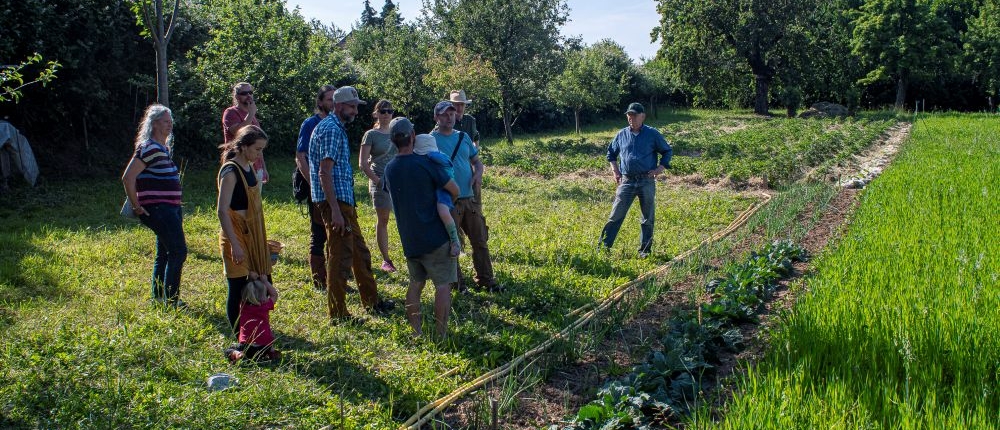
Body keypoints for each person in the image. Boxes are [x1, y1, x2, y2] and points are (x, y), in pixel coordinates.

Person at [308, 86, 395, 322]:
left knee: (360, 253)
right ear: (338, 106)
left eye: (357, 106)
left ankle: (372, 302)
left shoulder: (336, 127)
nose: (356, 111)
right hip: (335, 203)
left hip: (344, 201)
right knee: (340, 256)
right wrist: (335, 210)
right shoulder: (331, 130)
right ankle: (338, 314)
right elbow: (324, 172)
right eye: (352, 106)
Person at [383, 118, 460, 338]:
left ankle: (416, 332)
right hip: (436, 237)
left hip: (410, 239)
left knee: (416, 284)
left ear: (392, 141)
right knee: (443, 286)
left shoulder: (389, 169)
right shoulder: (426, 164)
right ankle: (441, 333)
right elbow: (453, 190)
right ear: (413, 136)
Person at [430, 101, 503, 293]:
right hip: (447, 201)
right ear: (436, 117)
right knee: (452, 244)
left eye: (452, 114)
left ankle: (487, 280)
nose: (449, 118)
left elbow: (477, 162)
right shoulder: (430, 140)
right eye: (445, 115)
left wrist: (478, 173)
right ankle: (457, 285)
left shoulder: (464, 137)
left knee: (480, 240)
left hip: (469, 199)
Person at [122, 104, 187, 308]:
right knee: (178, 251)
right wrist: (136, 205)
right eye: (166, 121)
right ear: (155, 123)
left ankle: (159, 296)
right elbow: (128, 177)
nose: (170, 125)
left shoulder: (162, 148)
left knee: (165, 252)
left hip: (170, 208)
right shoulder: (148, 147)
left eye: (171, 122)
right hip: (159, 209)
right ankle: (171, 300)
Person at [217, 125, 279, 334]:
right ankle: (239, 336)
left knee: (262, 280)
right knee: (238, 287)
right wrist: (234, 244)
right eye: (257, 149)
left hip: (253, 234)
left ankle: (257, 326)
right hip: (235, 235)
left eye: (262, 149)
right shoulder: (230, 170)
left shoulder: (249, 167)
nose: (259, 154)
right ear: (243, 146)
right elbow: (222, 211)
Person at [599, 102, 673, 258]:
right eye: (629, 115)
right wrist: (615, 171)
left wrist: (660, 169)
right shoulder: (621, 134)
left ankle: (644, 251)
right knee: (615, 215)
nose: (631, 118)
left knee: (647, 217)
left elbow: (667, 151)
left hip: (646, 180)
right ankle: (603, 248)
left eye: (634, 115)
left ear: (643, 116)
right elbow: (611, 154)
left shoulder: (652, 134)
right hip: (626, 180)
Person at [296, 85, 336, 291]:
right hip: (317, 187)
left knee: (335, 232)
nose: (333, 103)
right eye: (329, 99)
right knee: (319, 232)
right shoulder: (310, 123)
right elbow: (300, 156)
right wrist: (312, 183)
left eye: (335, 99)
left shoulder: (336, 123)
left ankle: (335, 276)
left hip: (334, 186)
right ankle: (319, 280)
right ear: (320, 102)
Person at [358, 99, 399, 273]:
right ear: (376, 114)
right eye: (382, 111)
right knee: (383, 220)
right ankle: (386, 260)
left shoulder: (397, 132)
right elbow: (363, 163)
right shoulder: (371, 135)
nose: (386, 114)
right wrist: (378, 181)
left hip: (397, 181)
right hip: (380, 181)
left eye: (389, 111)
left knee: (403, 217)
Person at [412, 134, 462, 256]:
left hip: (443, 188)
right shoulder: (434, 155)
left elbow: (448, 183)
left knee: (443, 211)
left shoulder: (434, 158)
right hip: (435, 189)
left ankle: (455, 240)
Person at [224, 279, 281, 362]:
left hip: (247, 347)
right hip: (265, 347)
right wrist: (265, 281)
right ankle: (271, 352)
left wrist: (250, 277)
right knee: (267, 336)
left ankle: (238, 354)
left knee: (227, 350)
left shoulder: (243, 306)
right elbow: (274, 295)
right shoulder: (265, 306)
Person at [222, 82, 268, 184]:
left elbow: (258, 145)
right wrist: (251, 114)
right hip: (237, 165)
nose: (248, 96)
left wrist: (263, 167)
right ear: (236, 96)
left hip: (256, 167)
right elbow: (237, 132)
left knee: (254, 199)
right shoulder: (230, 112)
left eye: (250, 92)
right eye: (244, 93)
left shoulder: (252, 115)